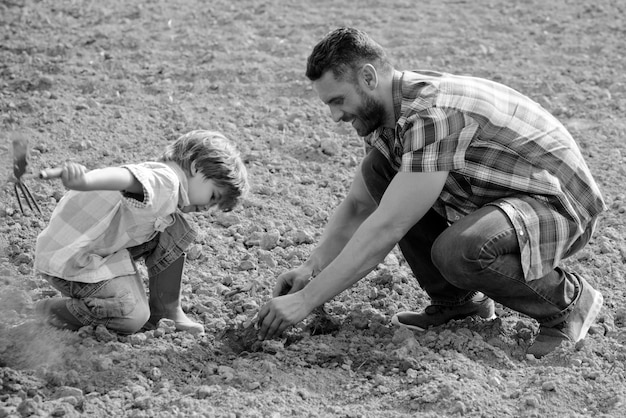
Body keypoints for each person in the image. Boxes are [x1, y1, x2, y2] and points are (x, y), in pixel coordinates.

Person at [257, 27, 606, 357]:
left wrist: (306, 302)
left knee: (460, 251)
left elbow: (388, 227)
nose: (335, 116)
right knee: (379, 170)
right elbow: (360, 205)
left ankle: (567, 302)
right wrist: (311, 268)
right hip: (502, 199)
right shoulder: (386, 115)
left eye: (339, 100)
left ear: (368, 77)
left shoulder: (430, 114)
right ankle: (460, 305)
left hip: (556, 202)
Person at [34, 130, 249, 335]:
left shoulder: (164, 181)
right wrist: (86, 181)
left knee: (174, 228)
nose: (206, 209)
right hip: (74, 264)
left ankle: (166, 311)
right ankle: (48, 311)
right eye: (213, 197)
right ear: (196, 167)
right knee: (132, 316)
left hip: (81, 250)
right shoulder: (168, 182)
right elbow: (125, 176)